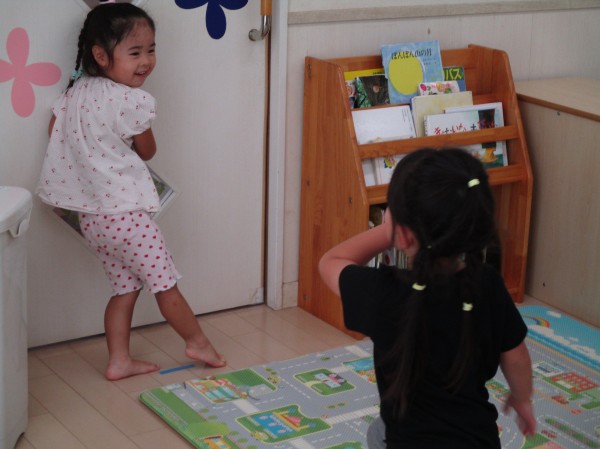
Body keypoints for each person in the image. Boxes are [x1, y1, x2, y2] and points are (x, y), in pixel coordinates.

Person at [36, 3, 225, 381]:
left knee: (124, 290)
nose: (146, 61)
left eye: (151, 50)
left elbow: (54, 129)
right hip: (127, 218)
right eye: (135, 53)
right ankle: (197, 342)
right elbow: (147, 151)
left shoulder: (77, 92)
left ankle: (119, 361)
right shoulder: (132, 100)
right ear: (101, 55)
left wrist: (94, 148)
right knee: (165, 284)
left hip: (92, 220)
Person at [319, 148, 535, 448]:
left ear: (403, 235)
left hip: (407, 442)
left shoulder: (384, 291)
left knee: (377, 433)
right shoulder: (487, 284)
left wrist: (388, 231)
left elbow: (330, 261)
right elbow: (516, 356)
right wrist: (522, 399)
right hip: (477, 441)